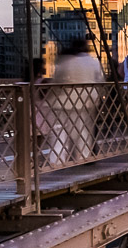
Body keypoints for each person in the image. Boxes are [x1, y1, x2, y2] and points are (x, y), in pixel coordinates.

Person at [40, 37, 104, 166]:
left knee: (60, 131)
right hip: (87, 100)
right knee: (84, 130)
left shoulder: (66, 61)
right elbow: (101, 81)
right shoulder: (94, 63)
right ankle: (84, 156)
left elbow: (57, 81)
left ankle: (57, 160)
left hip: (64, 100)